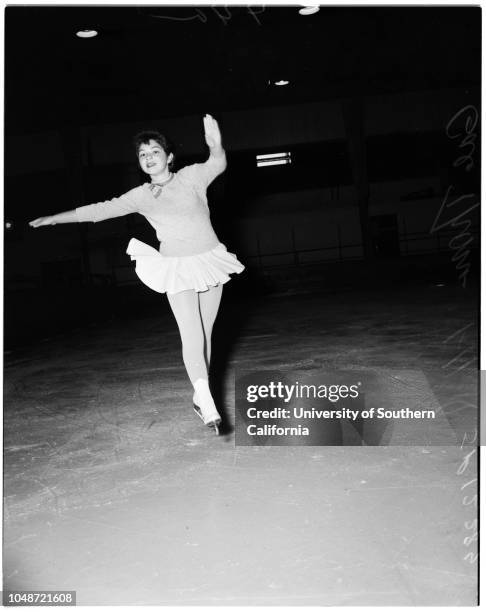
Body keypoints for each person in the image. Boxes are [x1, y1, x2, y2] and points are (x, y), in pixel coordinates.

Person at [29, 114, 244, 435]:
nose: (148, 158)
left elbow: (218, 164)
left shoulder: (190, 178)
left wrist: (216, 144)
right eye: (143, 154)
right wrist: (54, 218)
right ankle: (207, 399)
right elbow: (99, 209)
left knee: (207, 334)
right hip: (176, 267)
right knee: (191, 334)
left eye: (154, 151)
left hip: (209, 260)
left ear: (169, 157)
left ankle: (200, 396)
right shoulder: (140, 195)